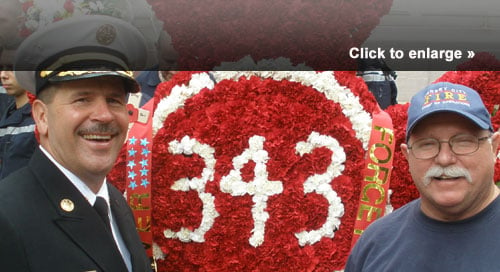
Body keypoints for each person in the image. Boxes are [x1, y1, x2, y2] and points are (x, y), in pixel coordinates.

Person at [0, 15, 152, 271]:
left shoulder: (115, 202)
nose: (103, 115)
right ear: (42, 116)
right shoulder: (8, 218)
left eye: (114, 100)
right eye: (82, 99)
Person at [345, 82, 500, 271]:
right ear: (407, 156)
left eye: (463, 142)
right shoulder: (375, 244)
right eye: (427, 144)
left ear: (494, 147)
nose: (444, 159)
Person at [0, 56, 37, 179]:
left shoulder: (40, 116)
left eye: (11, 68)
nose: (3, 75)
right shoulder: (6, 114)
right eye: (1, 69)